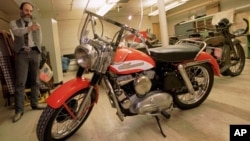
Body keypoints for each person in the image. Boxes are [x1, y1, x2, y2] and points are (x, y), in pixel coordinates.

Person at [10, 2, 46, 122]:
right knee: (20, 82)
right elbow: (17, 32)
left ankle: (34, 104)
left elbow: (39, 38)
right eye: (26, 10)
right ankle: (19, 110)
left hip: (34, 53)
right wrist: (30, 28)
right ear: (21, 10)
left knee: (35, 80)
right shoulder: (14, 23)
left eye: (30, 11)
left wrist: (38, 51)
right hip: (21, 54)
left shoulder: (36, 24)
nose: (29, 13)